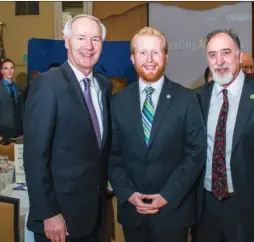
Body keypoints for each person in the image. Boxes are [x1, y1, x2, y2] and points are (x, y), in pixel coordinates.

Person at [193, 30, 254, 242]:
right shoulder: (197, 98)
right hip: (206, 209)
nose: (219, 61)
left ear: (239, 56)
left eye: (226, 53)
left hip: (250, 208)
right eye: (212, 55)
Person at [108, 27, 205, 242]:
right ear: (132, 58)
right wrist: (129, 194)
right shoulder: (117, 102)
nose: (149, 59)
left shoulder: (187, 99)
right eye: (142, 53)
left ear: (166, 57)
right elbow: (112, 156)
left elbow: (195, 154)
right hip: (133, 214)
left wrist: (166, 195)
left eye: (155, 52)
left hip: (173, 214)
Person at [24, 14, 112, 242]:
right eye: (81, 38)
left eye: (96, 39)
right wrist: (48, 213)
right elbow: (35, 156)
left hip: (94, 217)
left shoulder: (104, 86)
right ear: (66, 40)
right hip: (59, 221)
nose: (89, 46)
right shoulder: (47, 85)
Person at [0, 58, 24, 143]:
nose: (9, 71)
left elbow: (22, 111)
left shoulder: (19, 88)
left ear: (14, 70)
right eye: (6, 68)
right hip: (2, 133)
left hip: (17, 134)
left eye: (11, 68)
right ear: (2, 71)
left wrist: (22, 131)